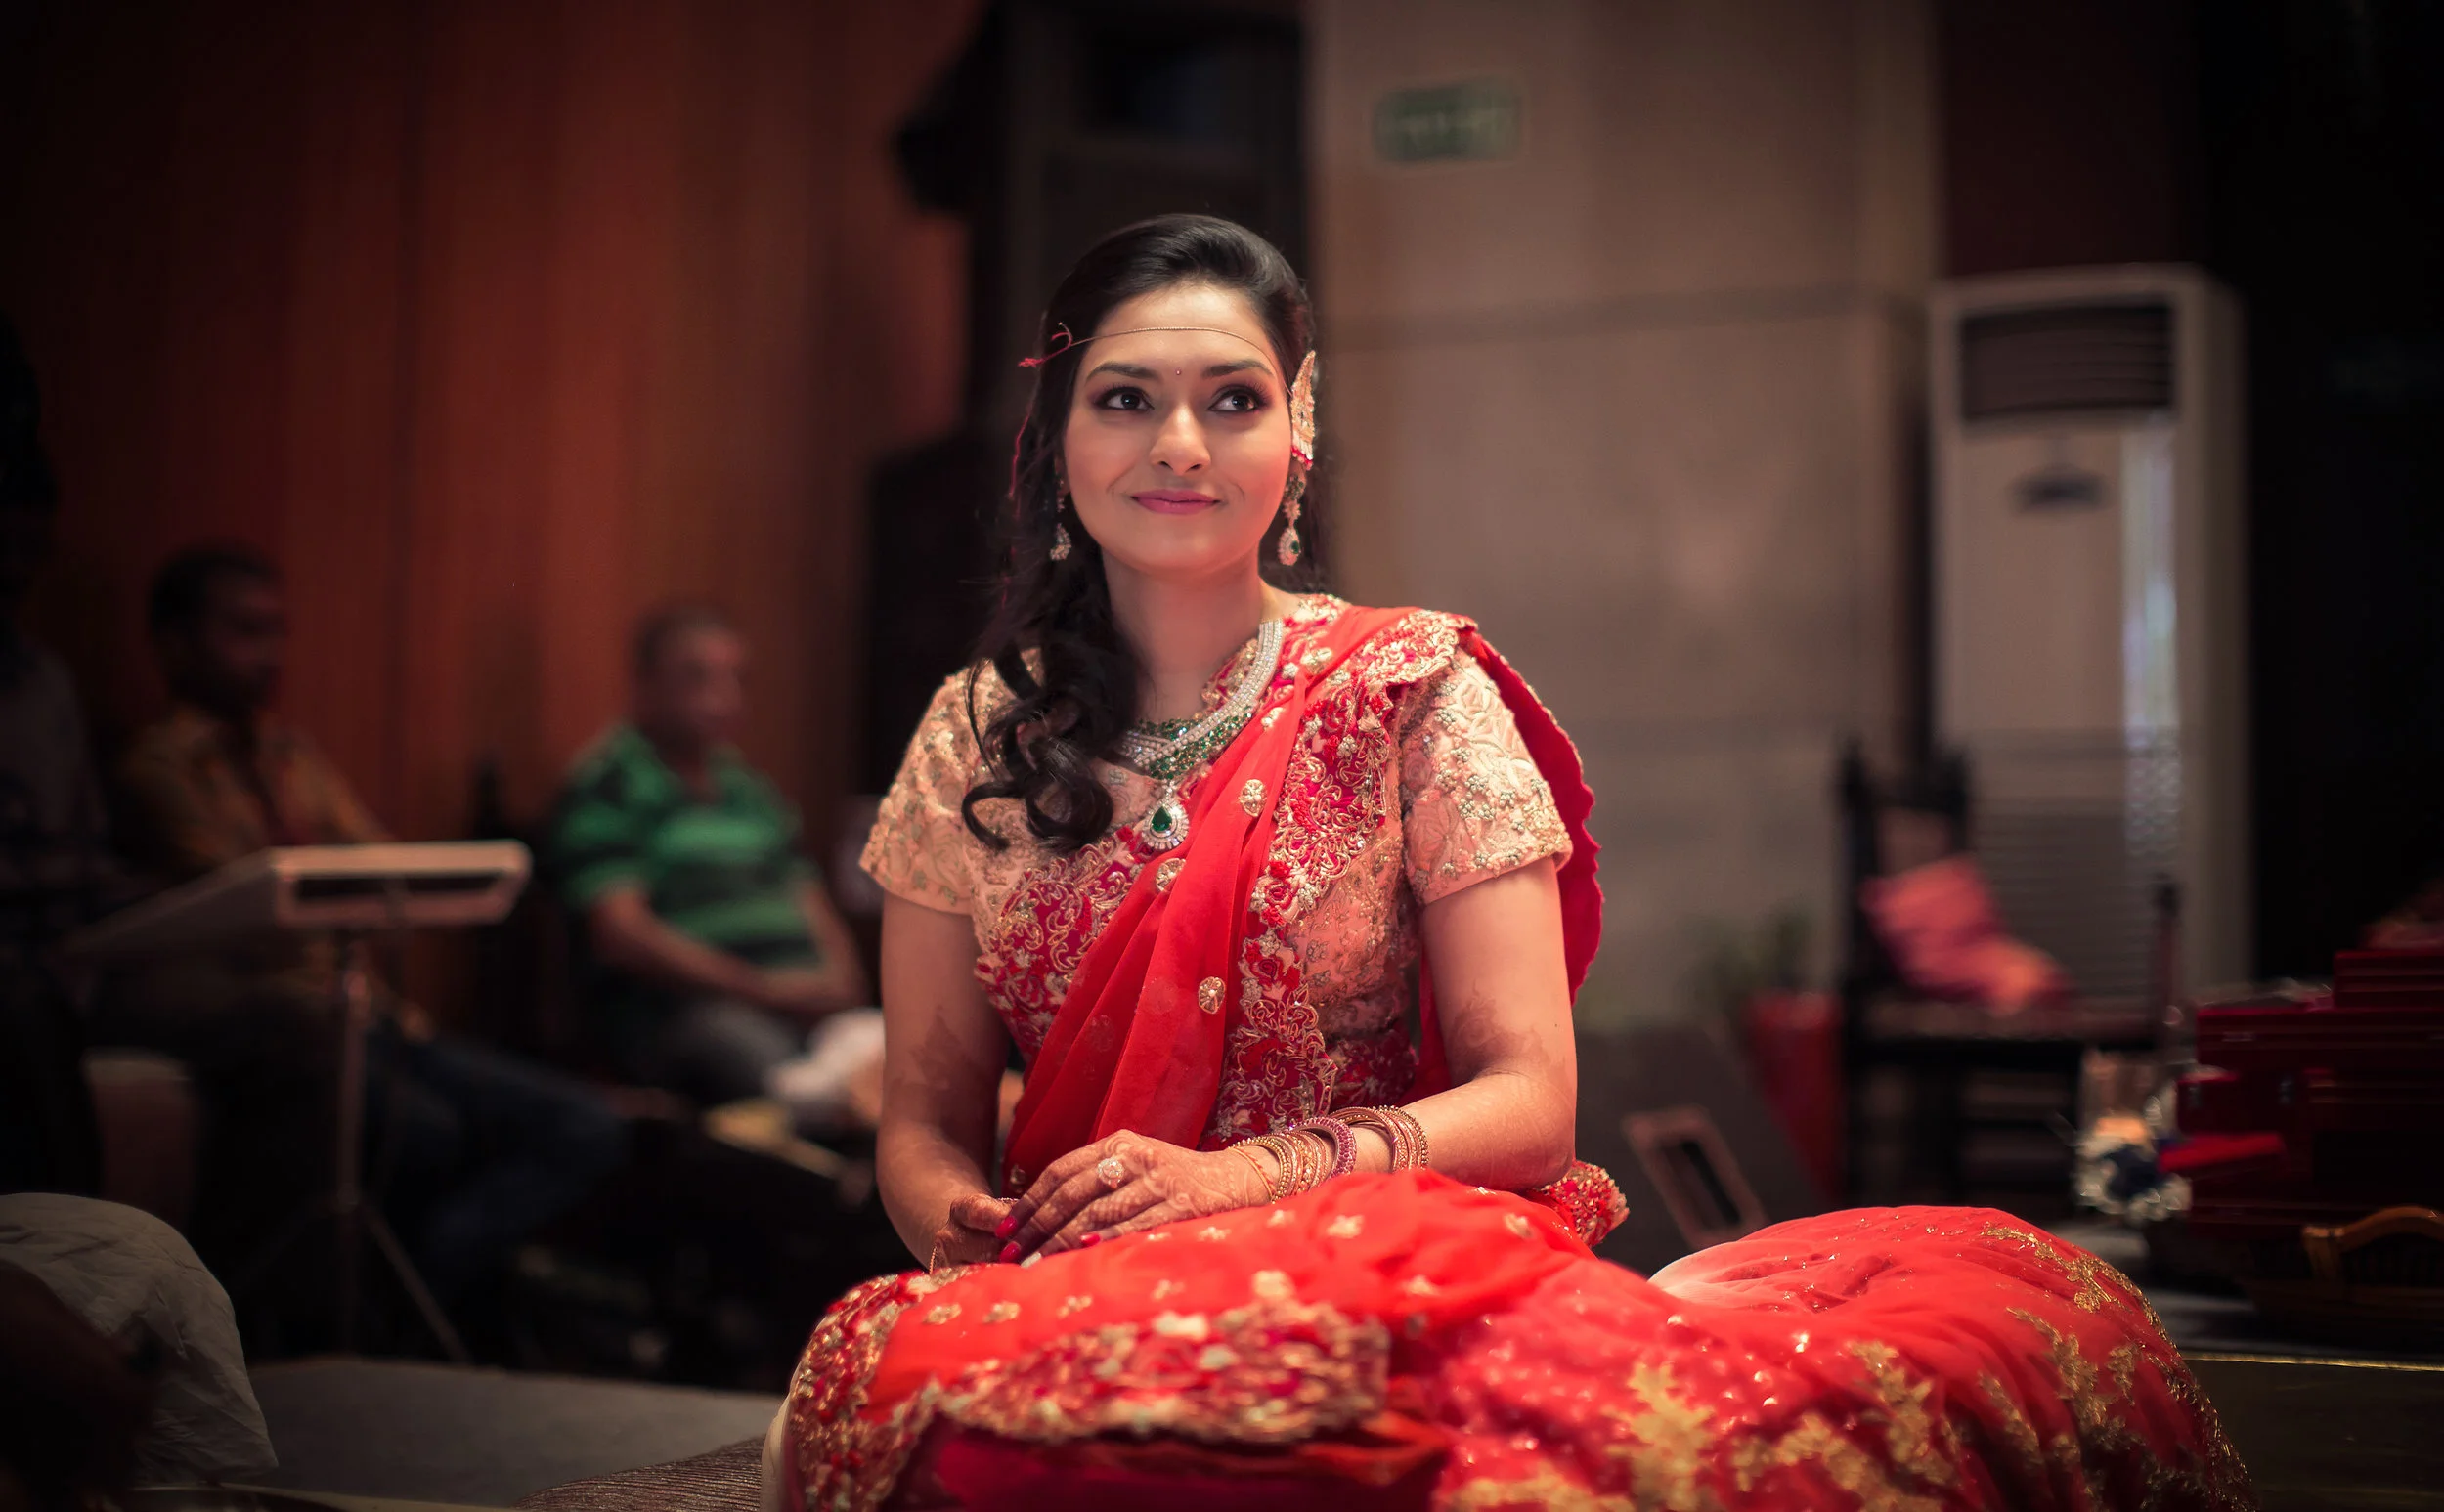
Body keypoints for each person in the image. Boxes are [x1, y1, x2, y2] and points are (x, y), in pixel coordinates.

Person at [762, 217, 2248, 1510]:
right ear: (1059, 439)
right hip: (1073, 1279)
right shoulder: (977, 731)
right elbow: (925, 1113)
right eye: (1126, 399)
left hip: (1382, 1258)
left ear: (1299, 434)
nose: (1178, 445)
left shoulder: (1409, 690)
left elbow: (1531, 1103)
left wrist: (1242, 1184)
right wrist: (965, 1222)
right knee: (866, 1394)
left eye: (1233, 398)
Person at [102, 544, 625, 1311]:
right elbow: (252, 891)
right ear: (176, 642)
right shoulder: (159, 764)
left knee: (586, 1125)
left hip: (376, 1017)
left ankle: (421, 1300)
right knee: (427, 1132)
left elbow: (381, 861)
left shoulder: (290, 754)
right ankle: (402, 1313)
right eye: (244, 632)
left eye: (277, 631)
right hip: (285, 1025)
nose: (269, 656)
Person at [550, 605, 877, 1126]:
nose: (724, 697)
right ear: (646, 684)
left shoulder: (748, 790)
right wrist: (765, 990)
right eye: (698, 676)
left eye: (735, 679)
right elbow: (621, 933)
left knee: (906, 1074)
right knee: (793, 1091)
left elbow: (807, 899)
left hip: (799, 1005)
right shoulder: (613, 781)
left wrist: (841, 980)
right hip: (685, 1012)